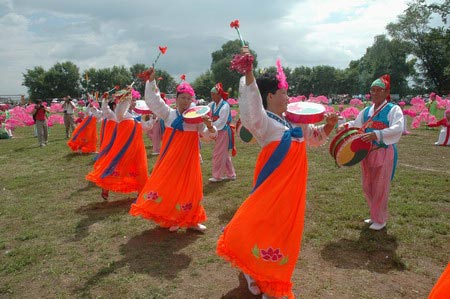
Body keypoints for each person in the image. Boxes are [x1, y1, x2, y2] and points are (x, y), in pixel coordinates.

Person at [216, 49, 338, 299]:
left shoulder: (296, 121)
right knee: (261, 226)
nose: (288, 96)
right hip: (271, 188)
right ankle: (255, 271)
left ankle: (269, 274)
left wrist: (329, 125)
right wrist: (249, 72)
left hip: (292, 192)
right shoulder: (266, 123)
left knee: (282, 232)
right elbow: (250, 109)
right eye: (283, 92)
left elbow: (315, 139)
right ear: (270, 95)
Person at [129, 67, 217, 232]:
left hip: (190, 161)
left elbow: (207, 137)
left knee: (192, 189)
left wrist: (210, 126)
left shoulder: (196, 119)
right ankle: (173, 218)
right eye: (182, 97)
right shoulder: (169, 114)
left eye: (188, 98)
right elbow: (154, 101)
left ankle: (192, 220)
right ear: (176, 99)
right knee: (171, 188)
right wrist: (151, 81)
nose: (185, 101)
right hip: (171, 160)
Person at [341, 74, 403, 231]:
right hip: (367, 153)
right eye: (372, 90)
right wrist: (345, 125)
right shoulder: (367, 111)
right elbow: (357, 125)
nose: (374, 93)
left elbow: (398, 128)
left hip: (383, 151)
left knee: (380, 186)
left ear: (386, 92)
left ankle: (380, 220)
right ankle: (375, 215)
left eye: (378, 90)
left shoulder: (393, 109)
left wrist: (377, 134)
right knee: (367, 185)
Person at [86, 88, 149, 200]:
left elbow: (146, 127)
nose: (134, 102)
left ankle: (141, 192)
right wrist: (123, 98)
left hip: (138, 148)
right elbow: (111, 110)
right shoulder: (120, 115)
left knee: (141, 168)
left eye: (135, 100)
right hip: (124, 148)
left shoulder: (136, 115)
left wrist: (151, 119)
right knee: (118, 166)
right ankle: (106, 186)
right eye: (132, 100)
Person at [208, 83, 236, 182]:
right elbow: (205, 110)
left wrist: (210, 127)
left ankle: (217, 176)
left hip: (223, 131)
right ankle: (231, 174)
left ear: (219, 94)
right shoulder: (212, 105)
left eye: (213, 94)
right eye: (211, 94)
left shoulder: (225, 105)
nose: (212, 96)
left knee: (218, 153)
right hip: (218, 130)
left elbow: (221, 122)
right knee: (223, 153)